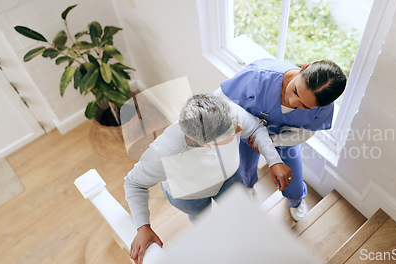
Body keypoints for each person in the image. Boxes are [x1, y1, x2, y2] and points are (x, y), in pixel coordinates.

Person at [124, 94, 292, 264]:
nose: (240, 127)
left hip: (230, 179)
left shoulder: (225, 111)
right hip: (189, 197)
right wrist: (143, 226)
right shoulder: (164, 153)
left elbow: (255, 127)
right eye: (232, 130)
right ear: (206, 143)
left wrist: (274, 160)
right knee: (204, 222)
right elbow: (133, 183)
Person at [217, 58, 346, 221]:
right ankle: (247, 187)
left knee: (294, 180)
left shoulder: (324, 106)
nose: (292, 102)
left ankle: (295, 200)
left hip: (285, 139)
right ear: (303, 68)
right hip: (247, 135)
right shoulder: (257, 75)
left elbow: (305, 134)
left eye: (304, 106)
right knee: (244, 168)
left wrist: (272, 142)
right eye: (296, 91)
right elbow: (220, 98)